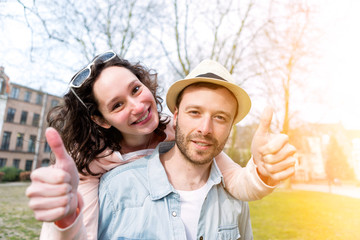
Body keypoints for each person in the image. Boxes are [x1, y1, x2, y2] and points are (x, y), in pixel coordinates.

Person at [26, 52, 296, 239]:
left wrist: (263, 168)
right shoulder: (90, 164)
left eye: (135, 90)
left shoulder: (177, 130)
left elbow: (236, 179)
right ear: (101, 119)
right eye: (117, 105)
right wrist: (63, 217)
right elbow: (80, 229)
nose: (138, 107)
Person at [98, 59, 256, 239]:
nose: (205, 129)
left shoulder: (235, 199)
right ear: (175, 116)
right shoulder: (116, 189)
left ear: (230, 127)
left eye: (220, 117)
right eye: (195, 112)